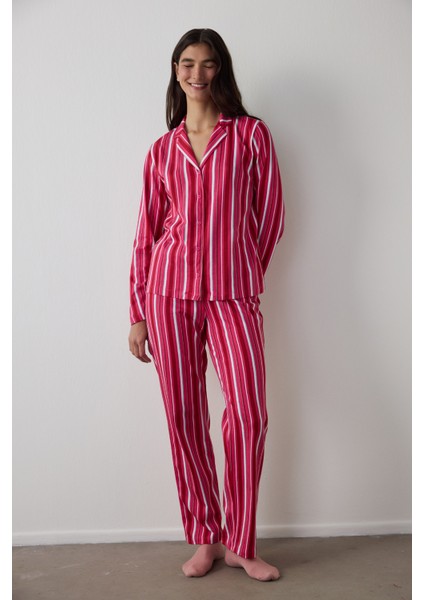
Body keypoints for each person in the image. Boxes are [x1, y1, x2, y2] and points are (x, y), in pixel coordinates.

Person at [128, 28, 284, 582]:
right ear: (176, 71)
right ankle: (206, 536)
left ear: (222, 70)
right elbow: (147, 234)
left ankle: (242, 542)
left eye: (209, 63)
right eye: (188, 63)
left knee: (249, 414)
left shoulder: (250, 136)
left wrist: (240, 269)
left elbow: (271, 217)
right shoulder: (162, 150)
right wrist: (138, 312)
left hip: (234, 296)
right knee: (184, 416)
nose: (198, 73)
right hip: (167, 295)